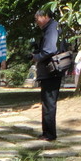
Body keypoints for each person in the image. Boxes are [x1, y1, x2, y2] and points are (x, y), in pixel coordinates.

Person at [31, 8, 61, 141]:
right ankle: (47, 132)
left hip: (51, 71)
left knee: (49, 103)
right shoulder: (51, 28)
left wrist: (36, 56)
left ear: (44, 16)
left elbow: (49, 50)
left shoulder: (51, 28)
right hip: (50, 71)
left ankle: (49, 134)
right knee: (48, 102)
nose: (36, 21)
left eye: (37, 18)